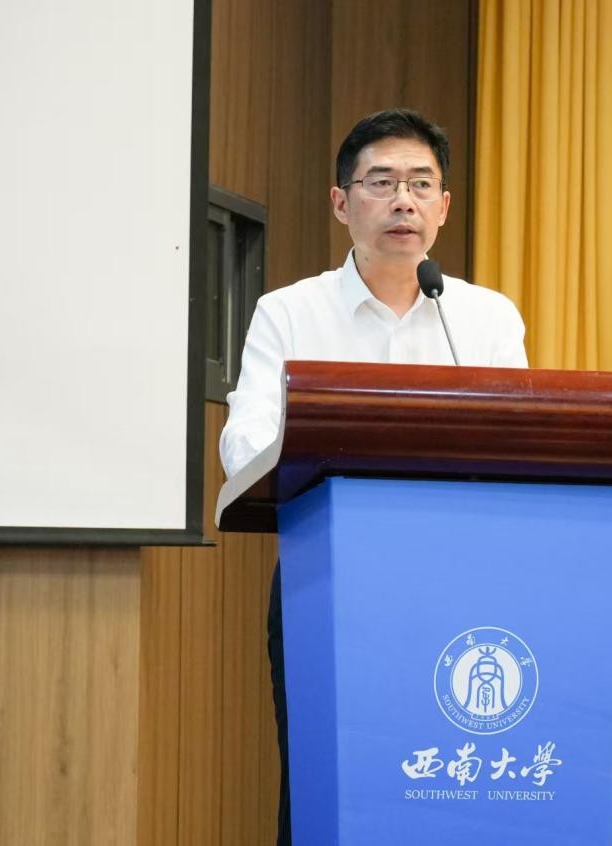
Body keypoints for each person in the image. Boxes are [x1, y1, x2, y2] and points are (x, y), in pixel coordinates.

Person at [218, 108, 528, 846]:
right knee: (325, 780)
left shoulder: (484, 319)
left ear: (443, 206)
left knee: (448, 781)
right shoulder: (289, 313)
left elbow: (520, 445)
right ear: (341, 202)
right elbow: (246, 439)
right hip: (328, 578)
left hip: (459, 585)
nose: (403, 201)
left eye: (420, 185)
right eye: (381, 183)